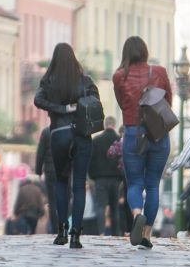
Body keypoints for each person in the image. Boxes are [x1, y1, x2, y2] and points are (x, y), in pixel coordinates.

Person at [34, 43, 100, 249]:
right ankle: (76, 235)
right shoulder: (85, 80)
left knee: (61, 183)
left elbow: (38, 100)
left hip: (59, 135)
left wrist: (60, 109)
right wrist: (78, 106)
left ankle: (61, 230)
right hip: (81, 134)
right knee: (79, 184)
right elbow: (96, 102)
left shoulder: (49, 81)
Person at [112, 36, 173, 250]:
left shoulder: (119, 76)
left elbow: (121, 104)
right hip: (158, 134)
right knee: (153, 184)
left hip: (133, 133)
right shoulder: (159, 72)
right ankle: (146, 233)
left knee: (135, 182)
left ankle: (136, 213)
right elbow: (168, 101)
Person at [88, 116, 123, 236]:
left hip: (100, 179)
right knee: (114, 207)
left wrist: (92, 176)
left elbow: (90, 160)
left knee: (100, 206)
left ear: (105, 125)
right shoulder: (119, 140)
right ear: (114, 125)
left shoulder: (96, 140)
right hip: (115, 179)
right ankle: (115, 232)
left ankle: (101, 231)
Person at [34, 126, 58, 231]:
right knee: (64, 199)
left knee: (52, 201)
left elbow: (40, 152)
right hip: (65, 171)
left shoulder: (46, 132)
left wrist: (38, 170)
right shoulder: (68, 129)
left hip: (50, 171)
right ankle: (63, 225)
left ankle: (55, 228)